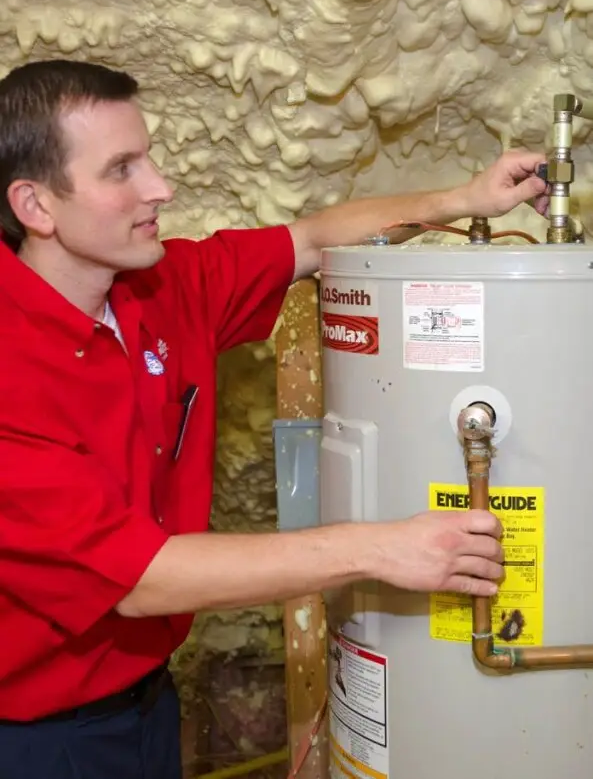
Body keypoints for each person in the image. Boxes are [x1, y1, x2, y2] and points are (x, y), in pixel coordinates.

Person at [0, 59, 547, 779]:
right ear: (36, 206)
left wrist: (464, 196)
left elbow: (314, 239)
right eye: (121, 169)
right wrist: (379, 549)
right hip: (38, 739)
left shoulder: (159, 287)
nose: (160, 186)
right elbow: (140, 579)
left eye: (150, 157)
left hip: (147, 702)